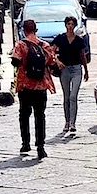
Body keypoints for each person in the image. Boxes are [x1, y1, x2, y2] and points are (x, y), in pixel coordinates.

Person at [11, 19, 57, 159]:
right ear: (36, 30)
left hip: (25, 86)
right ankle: (40, 146)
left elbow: (15, 62)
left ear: (24, 30)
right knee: (40, 116)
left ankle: (25, 143)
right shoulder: (44, 45)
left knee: (24, 115)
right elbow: (51, 62)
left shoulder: (21, 45)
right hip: (41, 86)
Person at [52, 16, 89, 134]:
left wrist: (86, 70)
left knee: (73, 96)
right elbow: (51, 51)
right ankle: (67, 121)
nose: (70, 26)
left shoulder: (79, 40)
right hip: (65, 69)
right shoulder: (60, 38)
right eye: (68, 24)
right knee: (66, 96)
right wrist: (57, 61)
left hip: (77, 69)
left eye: (72, 24)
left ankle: (73, 122)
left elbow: (83, 55)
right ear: (65, 25)